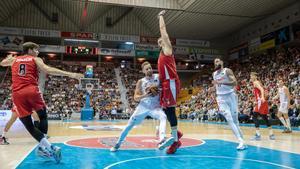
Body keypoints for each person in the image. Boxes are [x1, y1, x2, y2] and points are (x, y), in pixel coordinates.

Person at [0, 42, 83, 163]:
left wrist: (8, 58)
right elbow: (47, 69)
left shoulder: (14, 60)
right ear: (30, 50)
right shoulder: (35, 59)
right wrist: (71, 74)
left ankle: (48, 147)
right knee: (42, 116)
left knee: (29, 125)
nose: (38, 52)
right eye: (36, 49)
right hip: (32, 90)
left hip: (17, 94)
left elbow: (2, 63)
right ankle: (43, 147)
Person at [111, 62, 167, 152]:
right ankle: (118, 143)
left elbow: (165, 86)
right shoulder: (141, 81)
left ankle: (162, 140)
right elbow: (135, 98)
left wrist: (158, 89)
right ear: (143, 71)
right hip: (143, 107)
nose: (149, 70)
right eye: (147, 69)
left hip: (155, 107)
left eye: (150, 68)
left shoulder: (158, 77)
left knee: (163, 116)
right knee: (129, 125)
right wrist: (145, 95)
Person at [156, 10, 183, 154]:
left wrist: (160, 16)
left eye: (163, 39)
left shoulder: (167, 49)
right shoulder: (160, 55)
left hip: (171, 83)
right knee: (166, 110)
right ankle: (176, 135)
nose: (162, 39)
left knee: (170, 110)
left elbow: (163, 31)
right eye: (159, 40)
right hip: (166, 84)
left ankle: (175, 141)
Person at [1, 71, 47, 145]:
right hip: (19, 101)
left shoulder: (25, 79)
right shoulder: (20, 81)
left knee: (34, 117)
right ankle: (40, 136)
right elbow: (12, 88)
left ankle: (40, 135)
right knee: (14, 119)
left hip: (22, 100)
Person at [212, 58, 246, 150]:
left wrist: (221, 82)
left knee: (235, 121)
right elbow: (217, 86)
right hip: (221, 98)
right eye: (215, 62)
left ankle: (242, 140)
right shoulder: (214, 74)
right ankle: (240, 141)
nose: (217, 62)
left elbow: (234, 82)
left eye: (218, 61)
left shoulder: (227, 71)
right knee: (229, 119)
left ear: (222, 62)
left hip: (231, 96)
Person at [250, 72, 275, 140]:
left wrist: (262, 97)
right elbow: (259, 92)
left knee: (254, 117)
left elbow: (262, 89)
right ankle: (271, 134)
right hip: (261, 101)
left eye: (252, 76)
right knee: (264, 118)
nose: (251, 77)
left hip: (261, 102)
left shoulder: (256, 82)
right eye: (250, 76)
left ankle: (258, 135)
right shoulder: (258, 82)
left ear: (255, 76)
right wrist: (257, 100)